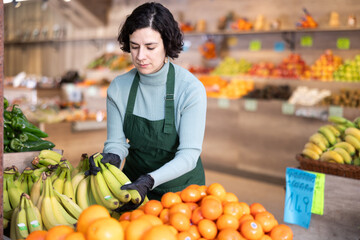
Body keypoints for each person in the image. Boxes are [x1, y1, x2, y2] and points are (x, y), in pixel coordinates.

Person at [87, 2, 207, 211]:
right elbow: (116, 142)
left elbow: (189, 155)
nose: (140, 56)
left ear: (167, 45)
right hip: (133, 187)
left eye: (150, 47)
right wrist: (113, 156)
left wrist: (151, 179)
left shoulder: (190, 89)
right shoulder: (119, 87)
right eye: (134, 47)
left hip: (182, 193)